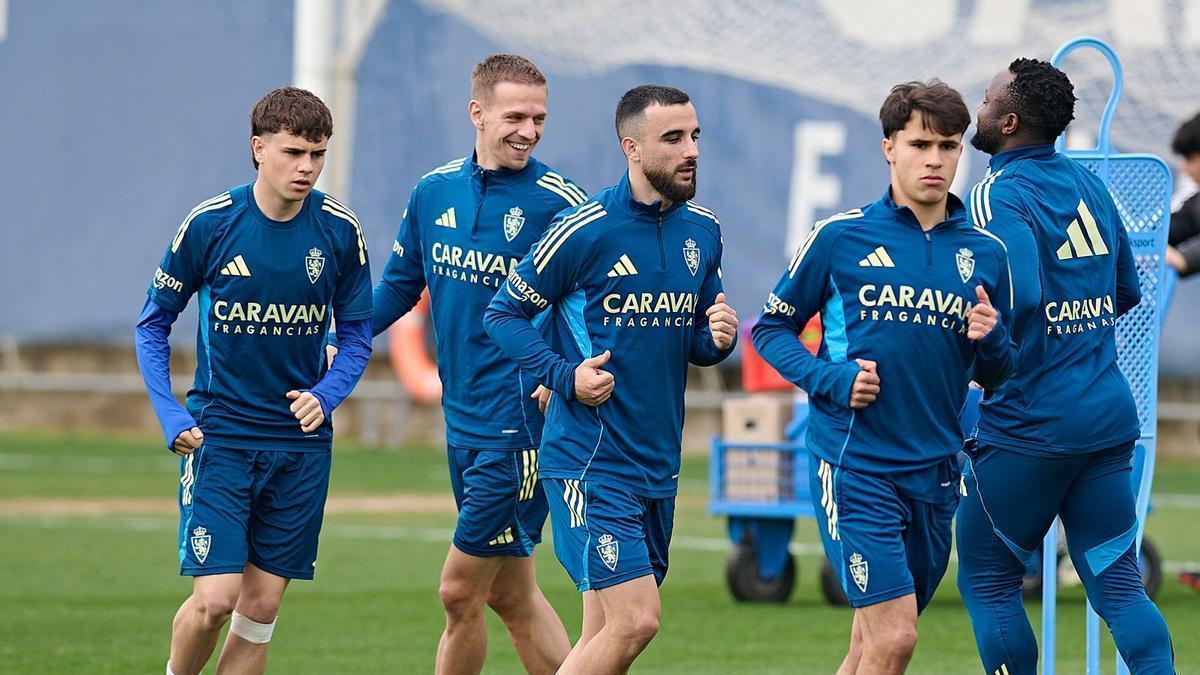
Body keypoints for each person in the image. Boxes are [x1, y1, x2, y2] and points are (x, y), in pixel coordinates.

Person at [751, 80, 1014, 674]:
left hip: (938, 470)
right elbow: (770, 330)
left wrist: (993, 338)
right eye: (920, 144)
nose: (934, 159)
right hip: (855, 464)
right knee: (894, 639)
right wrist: (832, 380)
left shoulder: (987, 252)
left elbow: (999, 373)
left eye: (947, 146)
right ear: (889, 148)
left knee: (871, 647)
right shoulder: (840, 237)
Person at [483, 84, 737, 674]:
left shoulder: (704, 231)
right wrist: (563, 376)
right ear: (632, 147)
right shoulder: (584, 230)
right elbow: (503, 314)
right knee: (636, 620)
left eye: (695, 136)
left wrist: (716, 338)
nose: (691, 150)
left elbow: (693, 342)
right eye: (673, 138)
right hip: (590, 460)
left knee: (603, 635)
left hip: (658, 463)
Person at [134, 87, 373, 675]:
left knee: (260, 608)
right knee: (216, 601)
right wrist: (170, 412)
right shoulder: (211, 223)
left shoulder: (340, 230)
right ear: (258, 148)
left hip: (300, 447)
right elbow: (153, 324)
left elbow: (358, 335)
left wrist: (327, 395)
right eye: (294, 152)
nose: (307, 167)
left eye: (317, 154)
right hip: (222, 437)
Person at [956, 58, 1176, 674]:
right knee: (1120, 588)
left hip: (1030, 423)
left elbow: (1020, 292)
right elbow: (1127, 290)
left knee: (988, 580)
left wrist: (988, 351)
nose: (979, 106)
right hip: (1106, 417)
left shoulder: (997, 191)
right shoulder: (1090, 184)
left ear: (1008, 120)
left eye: (987, 97)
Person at [371, 54, 577, 675]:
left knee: (458, 592)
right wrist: (333, 339)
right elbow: (399, 286)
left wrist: (564, 374)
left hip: (520, 429)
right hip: (463, 420)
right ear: (477, 113)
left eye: (539, 119)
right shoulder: (433, 191)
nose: (529, 131)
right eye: (515, 117)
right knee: (510, 596)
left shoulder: (561, 204)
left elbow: (594, 307)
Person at [1167, 112, 1200, 277]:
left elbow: (1180, 260)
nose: (1183, 167)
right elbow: (1166, 230)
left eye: (1190, 158)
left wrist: (1182, 258)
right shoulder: (1195, 204)